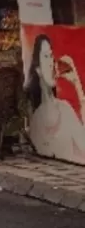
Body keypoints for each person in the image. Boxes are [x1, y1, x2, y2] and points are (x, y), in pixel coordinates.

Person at [25, 33, 85, 163]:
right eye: (46, 56)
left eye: (52, 56)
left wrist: (77, 84)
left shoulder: (64, 109)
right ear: (38, 70)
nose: (52, 63)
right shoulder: (36, 119)